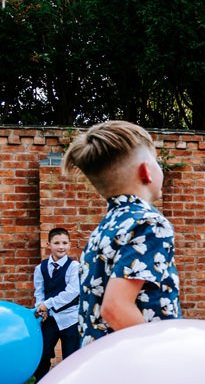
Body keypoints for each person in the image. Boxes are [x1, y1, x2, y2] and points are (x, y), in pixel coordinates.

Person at [62, 121, 181, 345]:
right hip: (135, 368)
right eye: (157, 161)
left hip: (101, 361)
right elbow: (116, 308)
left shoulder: (103, 229)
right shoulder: (149, 223)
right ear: (146, 171)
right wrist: (165, 358)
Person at [32, 226, 81, 380]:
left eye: (65, 243)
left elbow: (72, 292)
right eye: (57, 243)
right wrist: (42, 308)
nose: (61, 247)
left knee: (71, 358)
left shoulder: (74, 267)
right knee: (42, 355)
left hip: (70, 318)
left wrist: (48, 304)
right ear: (49, 245)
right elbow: (39, 291)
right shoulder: (40, 268)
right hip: (50, 319)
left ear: (70, 244)